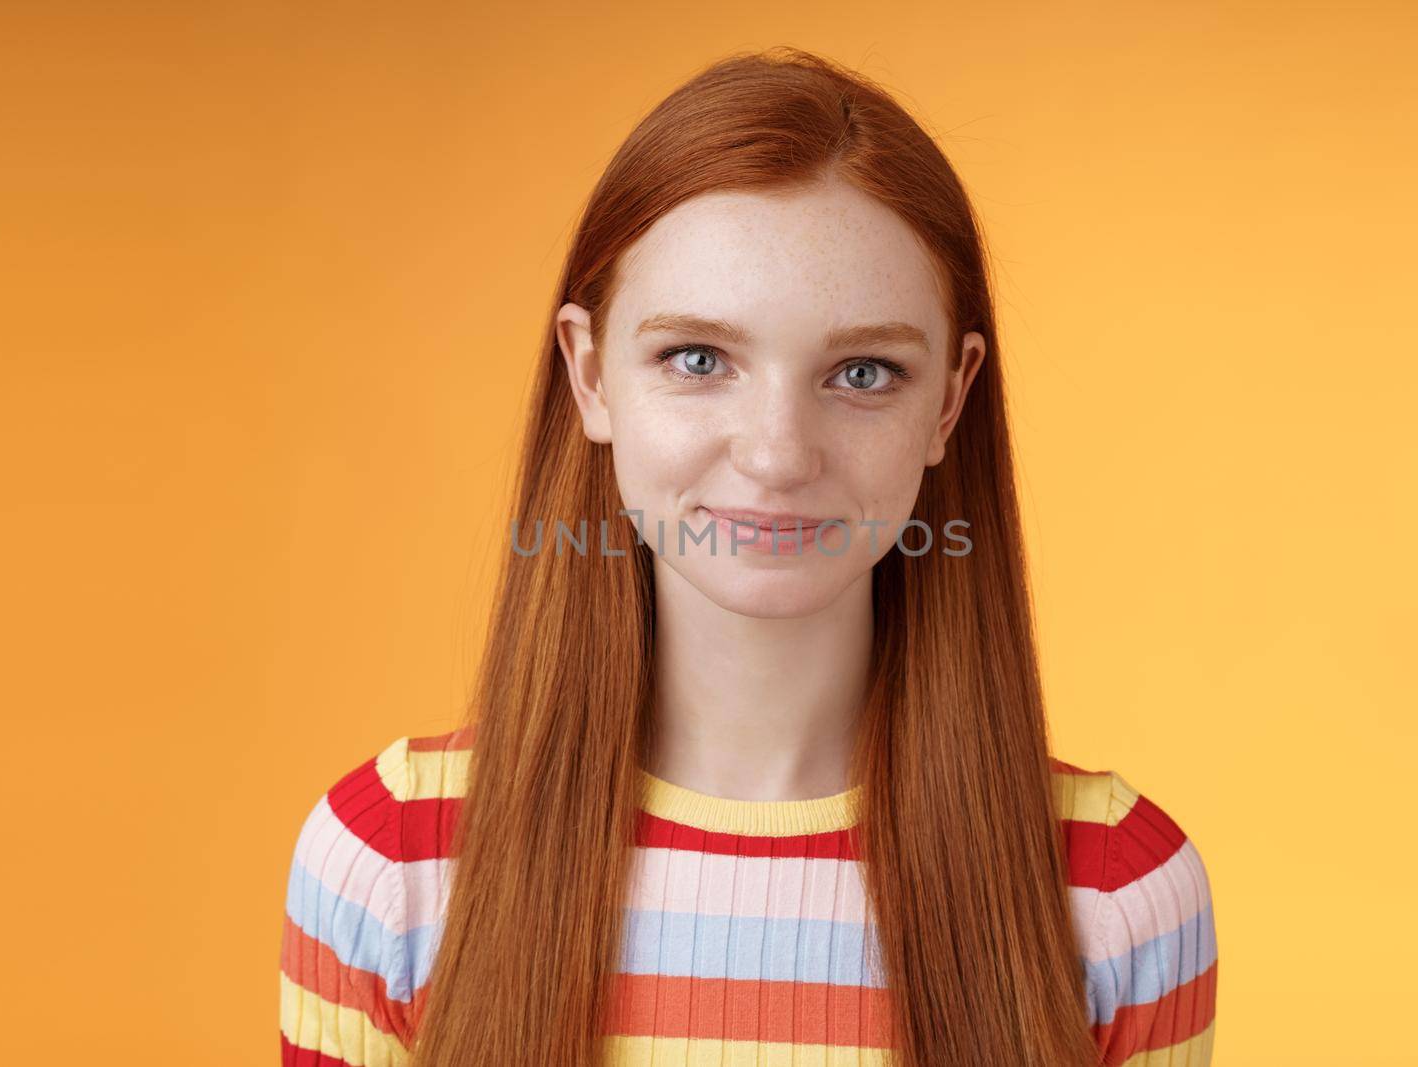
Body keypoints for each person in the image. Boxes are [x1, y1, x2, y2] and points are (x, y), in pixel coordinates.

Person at [279, 46, 1217, 1067]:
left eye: (863, 371)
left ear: (949, 398)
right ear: (590, 377)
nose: (776, 454)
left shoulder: (1117, 889)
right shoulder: (390, 862)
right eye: (697, 359)